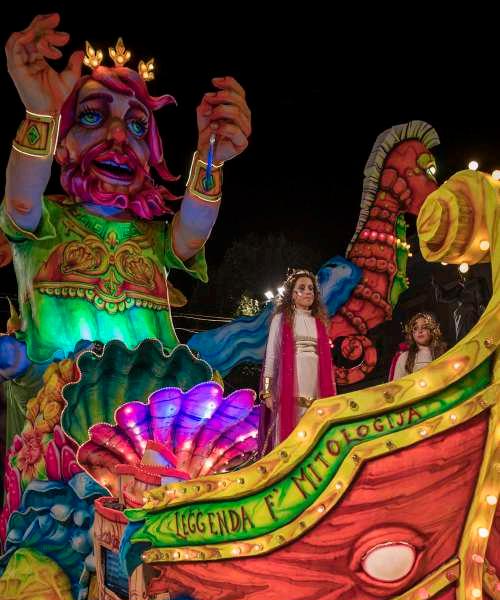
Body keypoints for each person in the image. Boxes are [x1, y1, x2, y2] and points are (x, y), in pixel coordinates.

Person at [2, 13, 251, 362]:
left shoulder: (153, 237)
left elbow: (193, 233)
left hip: (154, 396)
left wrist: (212, 159)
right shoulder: (46, 221)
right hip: (56, 393)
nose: (119, 135)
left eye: (137, 126)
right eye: (92, 116)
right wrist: (41, 114)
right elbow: (22, 203)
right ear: (61, 144)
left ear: (148, 158)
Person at [259, 269, 336, 452]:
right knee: (290, 445)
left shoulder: (319, 323)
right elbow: (271, 357)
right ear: (292, 294)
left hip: (317, 394)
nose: (308, 292)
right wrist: (267, 392)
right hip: (288, 395)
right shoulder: (281, 319)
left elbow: (327, 366)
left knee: (315, 441)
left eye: (311, 288)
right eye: (302, 288)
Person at [389, 312, 447, 380]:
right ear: (411, 334)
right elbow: (397, 383)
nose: (420, 331)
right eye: (415, 328)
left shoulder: (443, 353)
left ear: (432, 331)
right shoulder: (404, 357)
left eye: (424, 327)